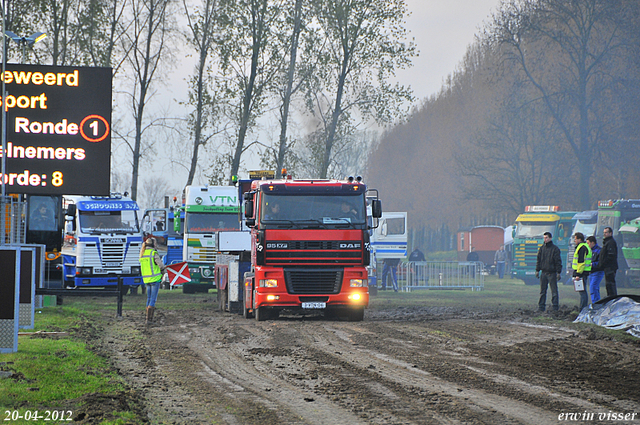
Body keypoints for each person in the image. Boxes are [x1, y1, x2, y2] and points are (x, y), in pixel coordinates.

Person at [139, 237, 166, 324]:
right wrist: (164, 272)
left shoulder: (142, 254)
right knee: (153, 299)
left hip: (147, 280)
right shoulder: (153, 253)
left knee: (149, 298)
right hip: (155, 279)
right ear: (153, 244)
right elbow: (161, 266)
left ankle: (147, 318)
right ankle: (149, 320)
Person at [535, 232, 562, 312]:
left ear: (550, 238)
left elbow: (558, 261)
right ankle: (541, 307)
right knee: (542, 291)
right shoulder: (542, 248)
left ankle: (555, 307)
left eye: (546, 237)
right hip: (543, 272)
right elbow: (539, 260)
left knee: (554, 291)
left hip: (552, 273)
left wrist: (558, 272)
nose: (545, 239)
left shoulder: (555, 249)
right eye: (544, 238)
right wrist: (537, 270)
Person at [594, 226, 618, 297]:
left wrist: (603, 263)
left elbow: (611, 256)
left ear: (610, 233)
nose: (604, 234)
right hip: (607, 267)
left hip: (610, 267)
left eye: (606, 232)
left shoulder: (610, 242)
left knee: (610, 284)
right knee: (608, 284)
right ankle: (610, 297)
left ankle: (612, 298)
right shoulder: (607, 242)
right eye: (604, 233)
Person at [571, 232, 591, 311]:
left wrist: (578, 274)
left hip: (582, 272)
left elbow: (581, 262)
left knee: (582, 291)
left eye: (575, 239)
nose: (574, 241)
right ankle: (583, 307)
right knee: (582, 291)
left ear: (580, 239)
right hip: (584, 272)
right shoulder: (584, 246)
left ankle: (583, 308)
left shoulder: (582, 248)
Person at [586, 236, 603, 304]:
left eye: (588, 243)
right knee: (595, 288)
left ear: (593, 243)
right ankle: (597, 302)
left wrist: (593, 264)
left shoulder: (599, 250)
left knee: (593, 287)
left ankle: (595, 303)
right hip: (591, 272)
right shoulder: (589, 250)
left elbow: (601, 262)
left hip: (597, 272)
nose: (587, 245)